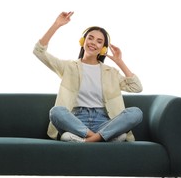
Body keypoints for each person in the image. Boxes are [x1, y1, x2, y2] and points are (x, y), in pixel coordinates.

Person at [33, 11, 143, 143]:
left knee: (136, 113)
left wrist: (119, 62)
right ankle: (102, 138)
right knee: (56, 112)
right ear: (83, 41)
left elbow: (136, 87)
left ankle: (85, 141)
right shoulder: (69, 67)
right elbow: (39, 51)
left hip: (104, 122)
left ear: (103, 49)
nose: (93, 43)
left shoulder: (111, 72)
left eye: (99, 41)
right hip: (77, 121)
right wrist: (56, 25)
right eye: (90, 38)